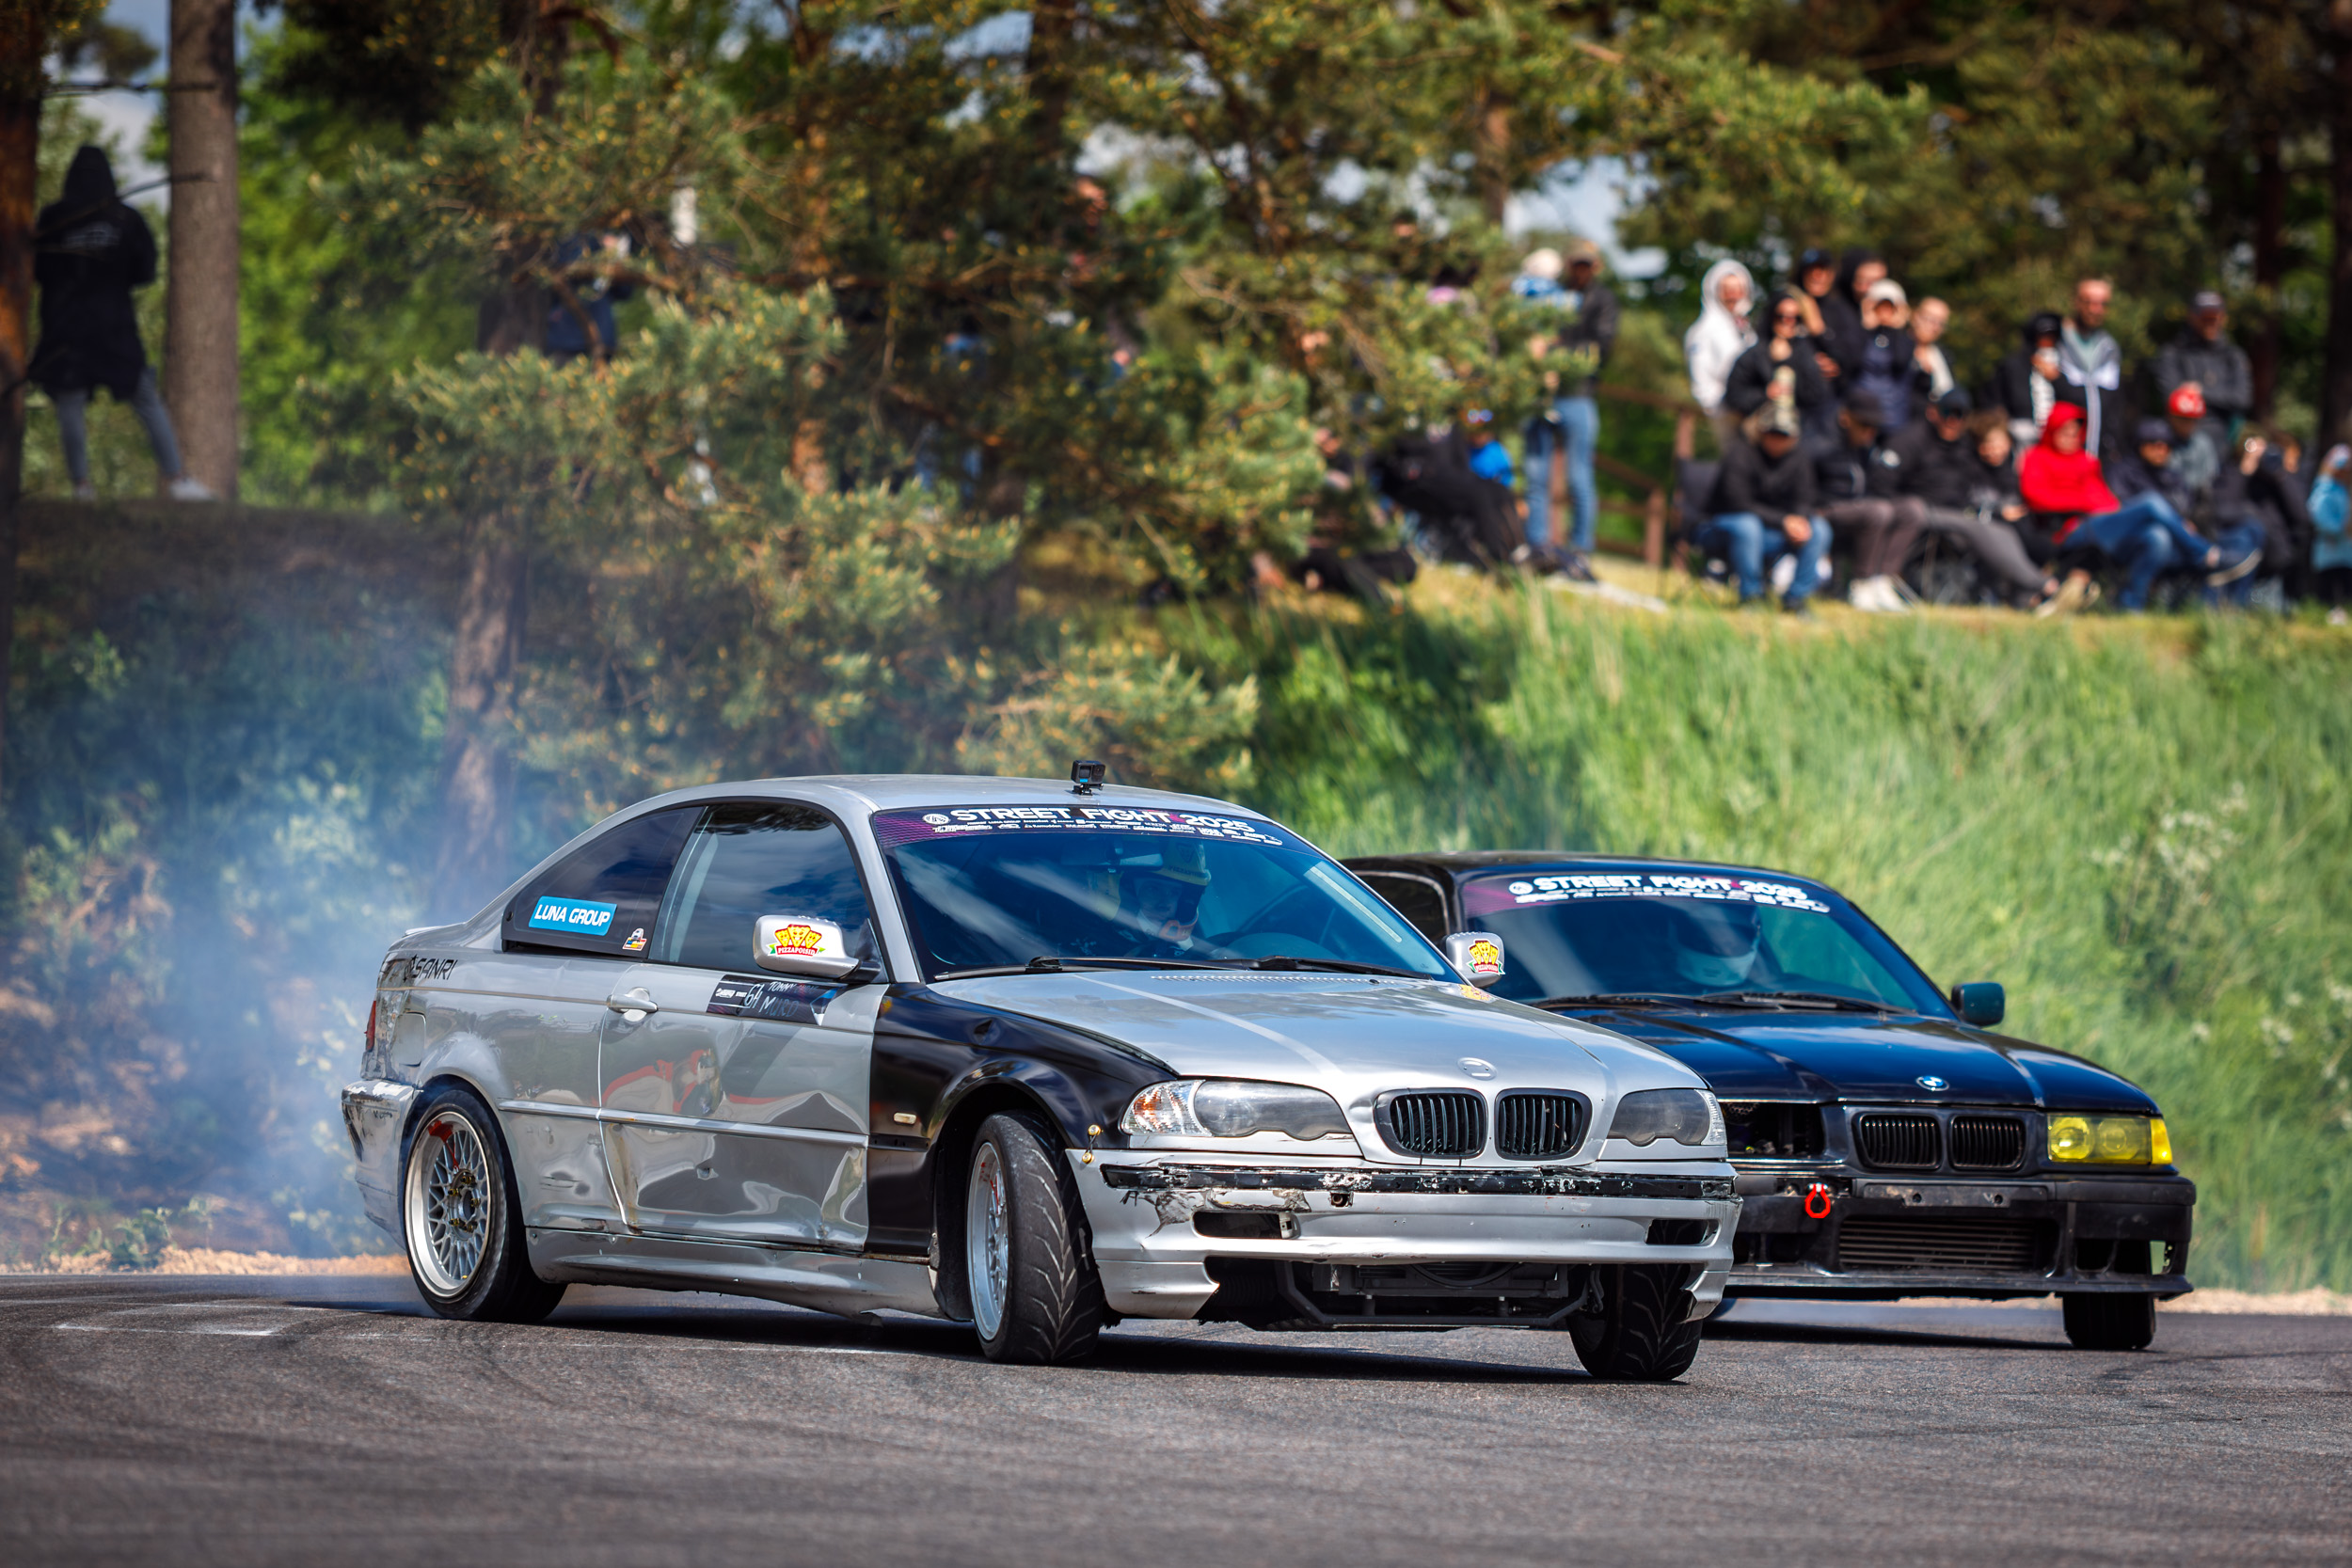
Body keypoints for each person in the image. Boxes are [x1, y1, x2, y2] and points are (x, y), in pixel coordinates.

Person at [30, 145, 210, 501]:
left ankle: (81, 487)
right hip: (113, 329)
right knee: (145, 397)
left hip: (64, 328)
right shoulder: (124, 218)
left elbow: (37, 271)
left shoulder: (53, 219)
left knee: (70, 401)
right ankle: (178, 480)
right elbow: (145, 271)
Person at [2019, 403, 2224, 611]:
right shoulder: (2037, 457)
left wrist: (2084, 502)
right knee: (2150, 502)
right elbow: (2037, 497)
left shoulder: (2086, 461)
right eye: (2064, 432)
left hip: (2098, 526)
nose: (2071, 437)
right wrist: (2083, 501)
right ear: (2052, 430)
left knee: (2156, 536)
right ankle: (2202, 552)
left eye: (2075, 432)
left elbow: (2107, 502)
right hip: (2067, 530)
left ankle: (2131, 604)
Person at [1892, 389, 2063, 609]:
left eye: (1961, 414)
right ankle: (2044, 586)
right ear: (1933, 412)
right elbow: (1885, 483)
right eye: (1948, 412)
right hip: (1923, 510)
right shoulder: (1913, 440)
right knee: (1979, 527)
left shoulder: (1963, 447)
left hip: (1959, 514)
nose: (1953, 420)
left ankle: (2024, 597)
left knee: (2006, 531)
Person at [1520, 239, 1617, 579]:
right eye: (1576, 263)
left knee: (1579, 477)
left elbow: (1601, 348)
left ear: (1596, 267)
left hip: (1578, 394)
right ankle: (1538, 545)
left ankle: (1579, 551)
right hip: (1541, 395)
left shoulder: (1603, 300)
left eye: (1586, 264)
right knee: (1536, 474)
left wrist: (1555, 354)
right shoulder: (1550, 294)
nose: (1581, 270)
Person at [1699, 401, 1832, 612]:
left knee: (1819, 529)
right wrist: (1783, 521)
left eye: (1784, 435)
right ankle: (1752, 597)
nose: (1777, 439)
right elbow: (1737, 503)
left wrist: (1798, 521)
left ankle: (1796, 600)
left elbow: (1806, 499)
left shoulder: (1799, 459)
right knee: (1747, 525)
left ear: (1794, 437)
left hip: (1774, 533)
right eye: (1773, 433)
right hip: (1722, 529)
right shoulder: (1740, 453)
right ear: (1761, 431)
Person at [1810, 390, 1921, 612]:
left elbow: (1875, 487)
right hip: (1824, 510)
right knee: (1878, 511)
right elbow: (1803, 489)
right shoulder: (1820, 446)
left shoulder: (1866, 449)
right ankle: (1862, 583)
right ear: (1845, 418)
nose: (1870, 431)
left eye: (1875, 426)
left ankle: (1883, 580)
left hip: (1861, 507)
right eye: (1865, 425)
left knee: (1912, 509)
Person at [1724, 292, 1835, 442]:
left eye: (1795, 317)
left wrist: (1789, 361)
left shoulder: (1805, 351)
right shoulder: (1754, 354)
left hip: (1800, 434)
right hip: (1761, 434)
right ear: (1771, 316)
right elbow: (1734, 395)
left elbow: (1818, 394)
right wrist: (1765, 393)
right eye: (1781, 316)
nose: (1788, 322)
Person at [2151, 292, 2252, 454]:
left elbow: (2242, 399)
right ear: (2191, 316)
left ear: (2223, 318)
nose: (2210, 323)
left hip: (2223, 441)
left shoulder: (2233, 356)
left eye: (2214, 317)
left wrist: (2200, 392)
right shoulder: (2174, 352)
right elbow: (2169, 395)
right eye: (2204, 317)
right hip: (2181, 442)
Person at [1685, 259, 1756, 450]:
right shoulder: (1703, 330)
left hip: (1749, 409)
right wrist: (1720, 409)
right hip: (1725, 414)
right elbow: (1701, 380)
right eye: (1727, 290)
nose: (1733, 295)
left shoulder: (1745, 328)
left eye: (1738, 289)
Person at [546, 230, 636, 365]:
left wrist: (619, 259)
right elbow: (568, 270)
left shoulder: (614, 232)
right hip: (567, 338)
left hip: (602, 337)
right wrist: (601, 250)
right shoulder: (571, 235)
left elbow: (624, 292)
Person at [2059, 277, 2125, 458]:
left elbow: (2115, 403)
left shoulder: (2110, 347)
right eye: (2089, 302)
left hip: (2100, 455)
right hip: (2062, 453)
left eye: (2102, 304)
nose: (2095, 310)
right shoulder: (2057, 342)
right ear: (2076, 302)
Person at [1848, 279, 1920, 430]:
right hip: (1862, 417)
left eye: (1890, 307)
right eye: (1880, 306)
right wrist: (1865, 326)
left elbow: (1900, 362)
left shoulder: (1905, 339)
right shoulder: (1861, 334)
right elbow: (1852, 362)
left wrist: (1898, 327)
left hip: (1893, 420)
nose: (1885, 312)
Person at [1990, 312, 2068, 451]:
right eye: (2042, 336)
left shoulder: (2066, 365)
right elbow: (1995, 399)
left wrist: (2056, 379)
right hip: (2021, 436)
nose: (2046, 342)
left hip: (2057, 437)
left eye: (2052, 336)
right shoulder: (2013, 364)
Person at [1820, 248, 1885, 373]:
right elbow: (1848, 360)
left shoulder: (1884, 309)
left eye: (1877, 282)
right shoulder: (1833, 308)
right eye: (1863, 281)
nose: (1870, 288)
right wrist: (1865, 329)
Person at [2311, 442, 2350, 624]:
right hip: (2329, 551)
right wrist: (2340, 529)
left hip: (2346, 553)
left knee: (2345, 594)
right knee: (2331, 595)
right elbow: (2319, 516)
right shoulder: (2325, 489)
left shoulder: (2344, 489)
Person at [1911, 296, 1957, 405]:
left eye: (1941, 323)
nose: (1935, 327)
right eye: (1930, 319)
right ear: (1915, 316)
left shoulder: (1945, 356)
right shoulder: (1896, 348)